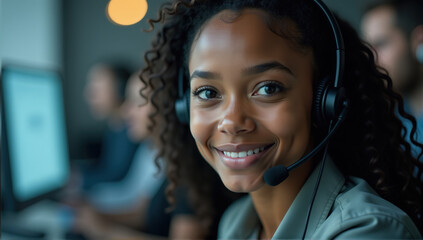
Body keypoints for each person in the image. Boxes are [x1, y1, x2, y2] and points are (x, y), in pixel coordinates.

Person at [139, 0, 423, 239]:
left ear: (324, 103)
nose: (232, 121)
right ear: (184, 107)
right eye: (208, 92)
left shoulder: (370, 230)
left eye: (268, 88)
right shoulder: (237, 223)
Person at [74, 72, 208, 239]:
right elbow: (143, 212)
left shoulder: (190, 170)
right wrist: (98, 216)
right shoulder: (168, 158)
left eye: (137, 102)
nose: (125, 112)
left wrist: (105, 230)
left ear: (169, 106)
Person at [361, 0, 423, 159]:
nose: (372, 60)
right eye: (368, 50)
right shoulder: (396, 121)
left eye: (381, 44)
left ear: (419, 40)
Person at [82, 63, 138, 189]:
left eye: (97, 88)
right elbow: (106, 168)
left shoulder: (132, 131)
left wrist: (80, 180)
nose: (89, 95)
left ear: (120, 90)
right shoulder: (113, 129)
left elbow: (116, 174)